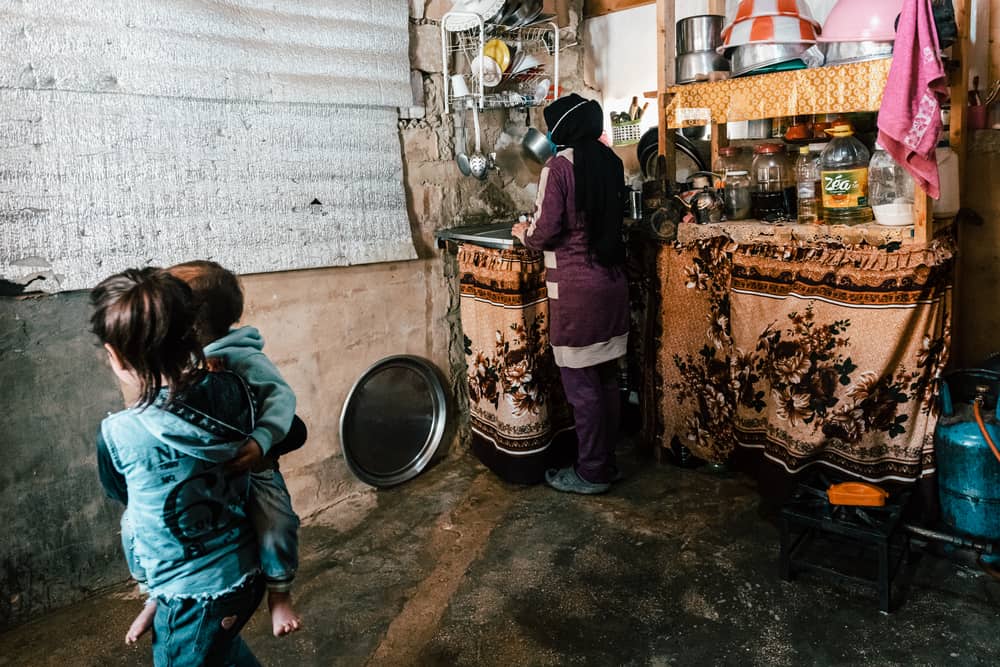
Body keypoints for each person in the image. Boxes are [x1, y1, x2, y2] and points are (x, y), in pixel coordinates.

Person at [124, 260, 307, 643]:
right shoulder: (178, 359)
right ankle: (157, 595)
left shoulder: (243, 357)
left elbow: (282, 399)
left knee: (277, 522)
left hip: (251, 469)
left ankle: (279, 593)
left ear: (189, 322)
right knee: (142, 524)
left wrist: (261, 442)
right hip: (196, 475)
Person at [93, 268, 264, 666]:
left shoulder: (118, 433)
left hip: (192, 594)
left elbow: (123, 494)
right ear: (193, 335)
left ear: (115, 356)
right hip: (247, 569)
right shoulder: (233, 389)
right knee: (221, 649)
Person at [511, 93, 629, 495]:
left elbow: (545, 232)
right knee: (607, 379)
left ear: (561, 131)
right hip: (613, 284)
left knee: (581, 386)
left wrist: (521, 233)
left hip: (577, 291)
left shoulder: (558, 168)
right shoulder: (612, 163)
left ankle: (591, 472)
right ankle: (606, 462)